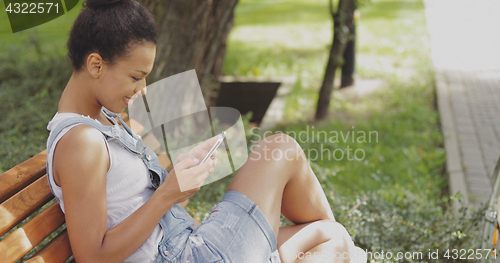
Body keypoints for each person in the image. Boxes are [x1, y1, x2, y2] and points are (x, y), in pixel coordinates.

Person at [45, 0, 359, 262]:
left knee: (333, 238)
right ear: (96, 65)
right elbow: (93, 257)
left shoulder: (103, 121)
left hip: (191, 244)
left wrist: (183, 178)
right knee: (281, 150)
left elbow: (138, 209)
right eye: (135, 77)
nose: (142, 90)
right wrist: (168, 195)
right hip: (188, 256)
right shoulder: (81, 142)